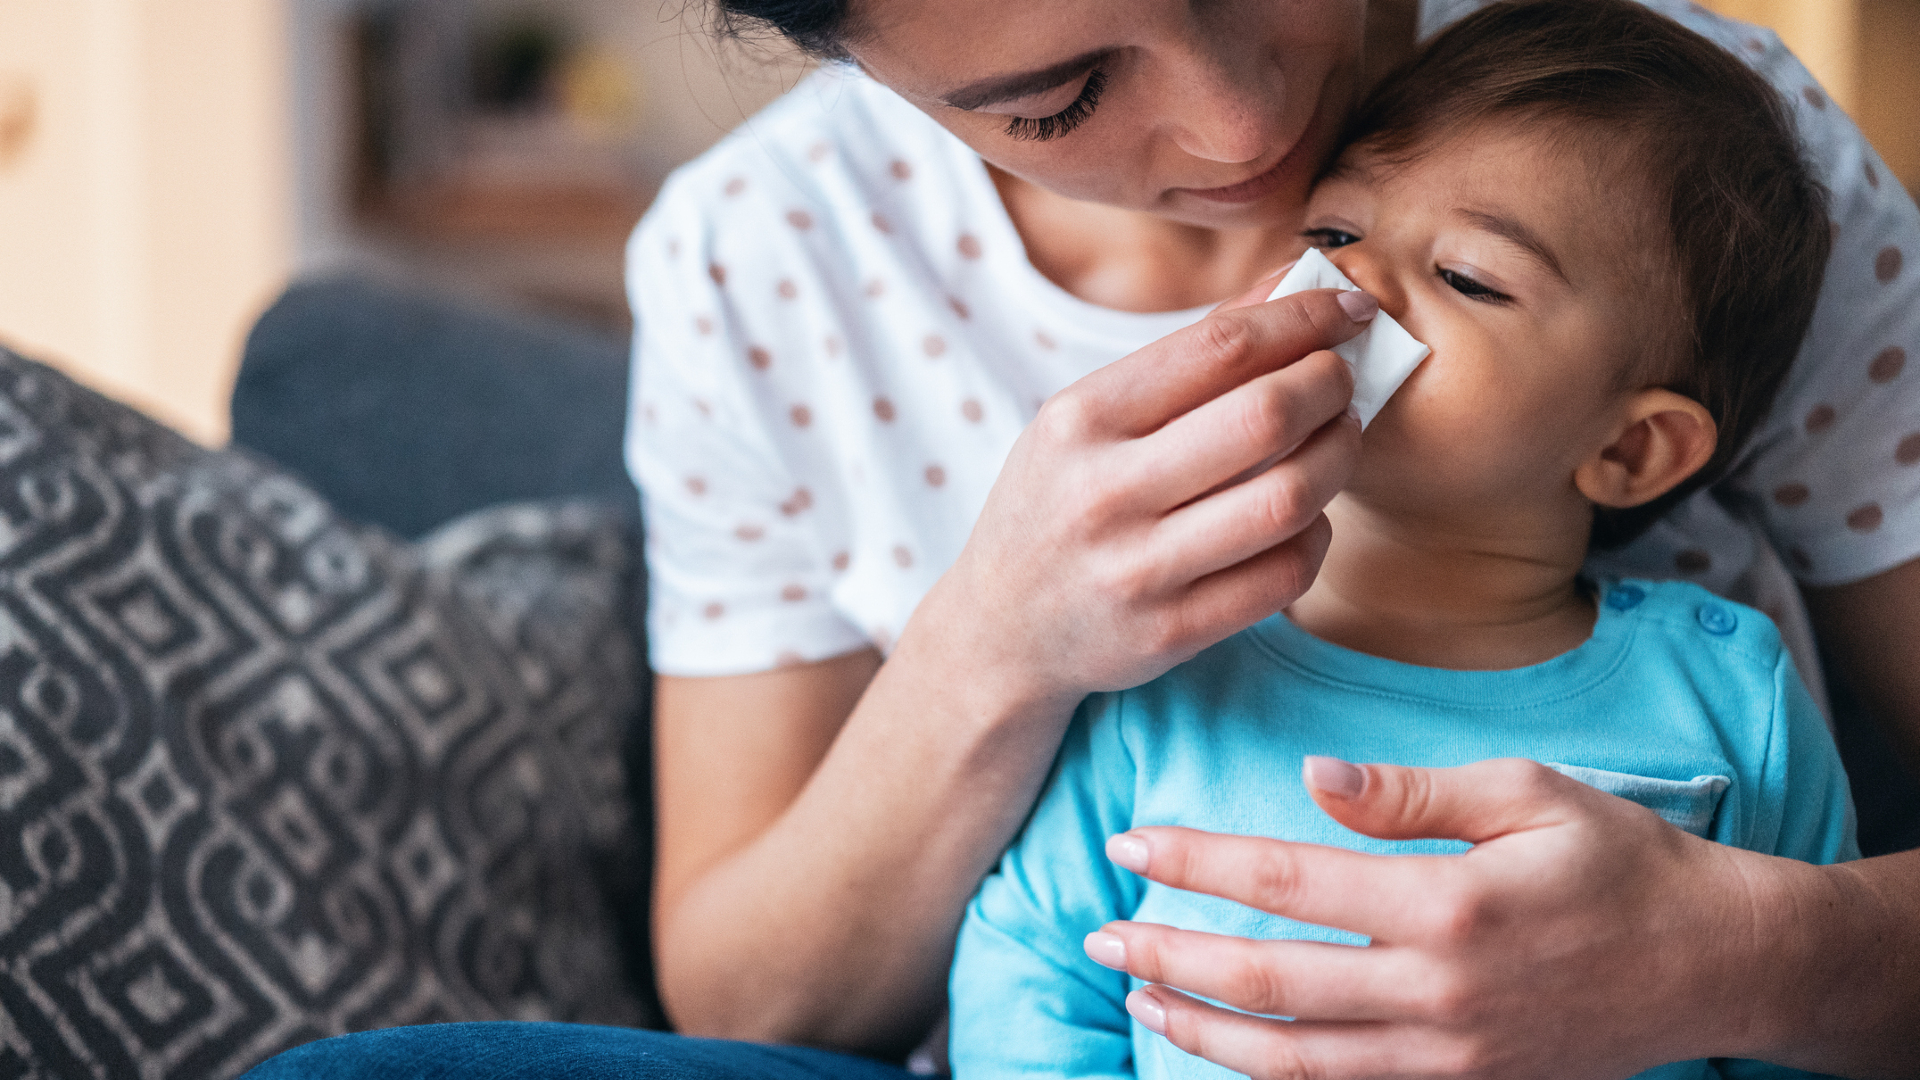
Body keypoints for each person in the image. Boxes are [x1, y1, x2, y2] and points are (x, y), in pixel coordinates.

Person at [247, 0, 1920, 1075]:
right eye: (1060, 95)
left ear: (1643, 444)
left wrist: (1744, 959)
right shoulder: (762, 261)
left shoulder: (1675, 145)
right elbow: (776, 1005)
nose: (1251, 134)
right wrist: (996, 645)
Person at [947, 4, 1855, 1077]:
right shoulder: (1168, 669)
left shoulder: (1729, 700)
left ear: (1634, 450)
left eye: (1467, 277)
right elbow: (1034, 971)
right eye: (1332, 235)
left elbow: (1808, 1033)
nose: (1352, 288)